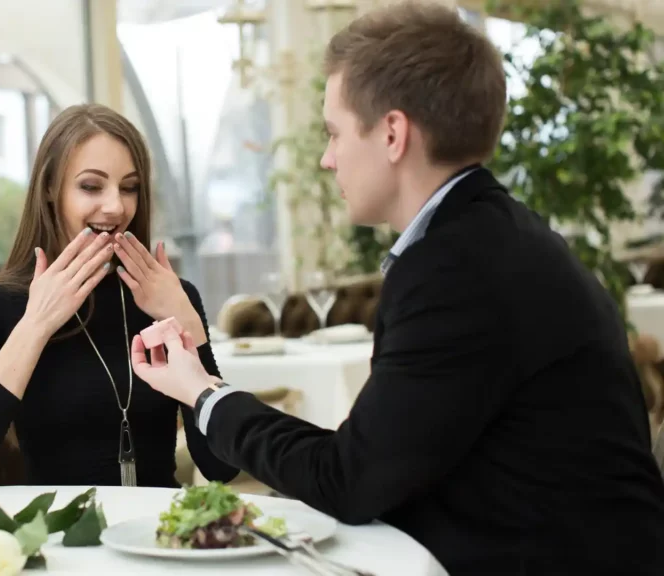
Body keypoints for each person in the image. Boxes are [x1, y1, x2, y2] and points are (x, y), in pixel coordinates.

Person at [130, 3, 664, 574]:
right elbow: (379, 461)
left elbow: (350, 481)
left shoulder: (457, 267)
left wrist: (203, 394)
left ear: (391, 133)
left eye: (334, 133)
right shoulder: (489, 234)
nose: (326, 159)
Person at [0, 103, 238, 489]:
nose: (116, 206)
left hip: (161, 537)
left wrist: (191, 329)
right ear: (49, 188)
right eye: (91, 186)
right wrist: (37, 324)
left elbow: (221, 467)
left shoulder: (169, 297)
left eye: (129, 188)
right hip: (60, 539)